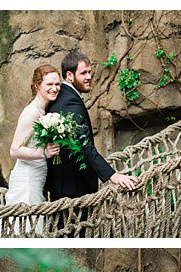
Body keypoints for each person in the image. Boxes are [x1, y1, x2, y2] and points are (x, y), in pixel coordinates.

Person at [43, 51, 138, 208]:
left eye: (90, 72)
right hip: (73, 190)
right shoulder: (70, 103)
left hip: (65, 187)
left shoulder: (63, 96)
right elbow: (84, 145)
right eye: (84, 73)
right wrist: (113, 176)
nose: (89, 77)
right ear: (69, 75)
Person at [1, 65, 63, 235]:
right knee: (25, 229)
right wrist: (44, 154)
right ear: (37, 86)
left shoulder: (45, 111)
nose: (55, 88)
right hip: (27, 181)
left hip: (38, 178)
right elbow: (14, 150)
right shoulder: (32, 113)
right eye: (49, 84)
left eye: (57, 84)